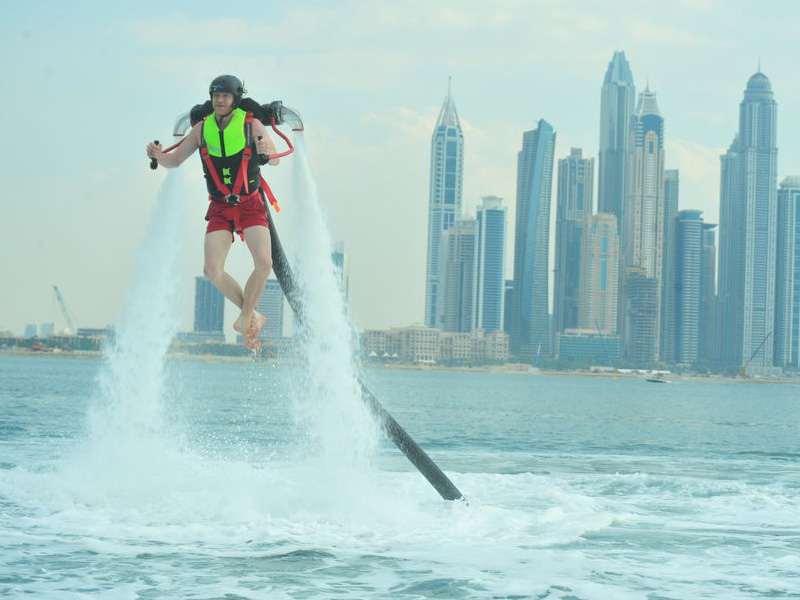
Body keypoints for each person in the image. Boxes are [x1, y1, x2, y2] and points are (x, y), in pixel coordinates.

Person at [146, 75, 279, 350]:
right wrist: (157, 156)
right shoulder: (201, 129)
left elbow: (275, 158)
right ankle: (250, 317)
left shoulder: (250, 125)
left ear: (235, 99)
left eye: (226, 96)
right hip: (220, 207)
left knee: (264, 264)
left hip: (250, 203)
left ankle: (245, 318)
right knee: (211, 269)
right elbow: (174, 160)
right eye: (216, 96)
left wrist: (267, 148)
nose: (220, 100)